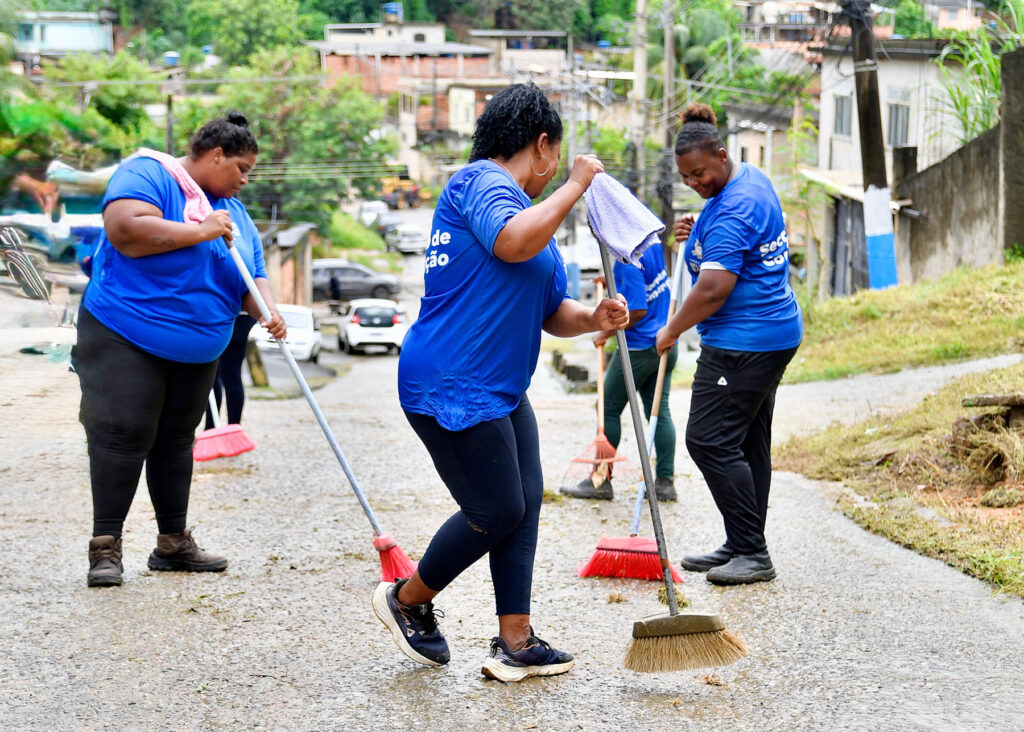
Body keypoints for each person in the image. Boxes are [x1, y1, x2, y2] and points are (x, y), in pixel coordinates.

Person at [373, 83, 628, 682]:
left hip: (501, 388)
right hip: (452, 382)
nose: (553, 173)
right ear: (541, 146)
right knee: (496, 508)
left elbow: (549, 308)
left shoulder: (525, 213)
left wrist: (592, 319)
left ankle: (516, 640)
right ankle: (406, 599)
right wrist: (574, 187)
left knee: (525, 504)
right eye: (554, 161)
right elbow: (512, 242)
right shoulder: (481, 184)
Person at [74, 112, 286, 588]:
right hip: (124, 332)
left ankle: (172, 544)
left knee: (176, 440)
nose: (246, 181)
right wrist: (201, 230)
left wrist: (267, 310)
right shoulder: (149, 173)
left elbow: (252, 276)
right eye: (241, 169)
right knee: (123, 433)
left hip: (199, 347)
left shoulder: (236, 213)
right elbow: (126, 231)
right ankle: (104, 548)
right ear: (215, 156)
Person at [655, 103, 803, 586]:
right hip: (773, 331)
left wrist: (672, 327)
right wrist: (697, 234)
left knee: (708, 439)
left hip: (744, 342)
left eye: (699, 173)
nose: (694, 183)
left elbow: (715, 289)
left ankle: (752, 552)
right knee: (747, 440)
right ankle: (742, 541)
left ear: (721, 154)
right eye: (686, 178)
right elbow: (731, 243)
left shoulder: (734, 206)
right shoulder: (750, 179)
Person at [561, 245, 679, 502]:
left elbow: (636, 309)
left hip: (638, 348)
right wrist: (615, 282)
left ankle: (600, 480)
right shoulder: (651, 243)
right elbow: (644, 284)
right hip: (664, 341)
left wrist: (604, 332)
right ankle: (664, 482)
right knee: (658, 412)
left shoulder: (626, 259)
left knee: (607, 408)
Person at [204, 312, 258, 429]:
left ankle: (229, 429)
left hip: (232, 312)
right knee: (219, 374)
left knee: (227, 374)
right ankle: (214, 428)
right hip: (234, 312)